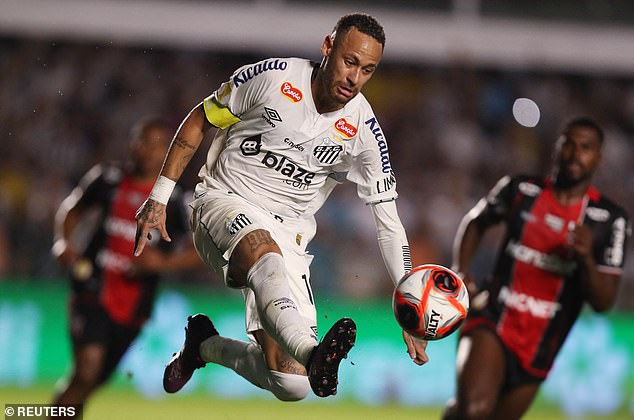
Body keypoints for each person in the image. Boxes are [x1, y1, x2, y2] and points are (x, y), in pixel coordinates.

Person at [134, 13, 429, 401]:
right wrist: (159, 195)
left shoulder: (364, 132)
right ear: (328, 48)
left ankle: (202, 346)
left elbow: (389, 223)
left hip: (289, 230)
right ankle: (313, 354)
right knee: (264, 254)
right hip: (223, 199)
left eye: (367, 70)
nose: (354, 78)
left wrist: (410, 309)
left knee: (291, 383)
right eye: (349, 62)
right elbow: (199, 120)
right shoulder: (272, 79)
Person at [443, 117, 631, 420]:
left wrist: (585, 258)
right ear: (557, 148)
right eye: (568, 143)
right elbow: (477, 222)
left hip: (541, 344)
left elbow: (603, 302)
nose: (574, 153)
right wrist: (460, 271)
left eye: (585, 148)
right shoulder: (521, 190)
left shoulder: (610, 220)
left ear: (598, 158)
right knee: (475, 411)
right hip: (493, 317)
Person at [51, 116, 202, 415]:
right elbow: (72, 209)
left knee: (90, 382)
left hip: (135, 304)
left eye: (159, 145)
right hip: (92, 285)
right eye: (143, 140)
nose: (149, 149)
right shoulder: (108, 177)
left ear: (169, 152)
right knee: (87, 371)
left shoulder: (176, 200)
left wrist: (163, 264)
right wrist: (63, 243)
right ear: (132, 143)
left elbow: (202, 249)